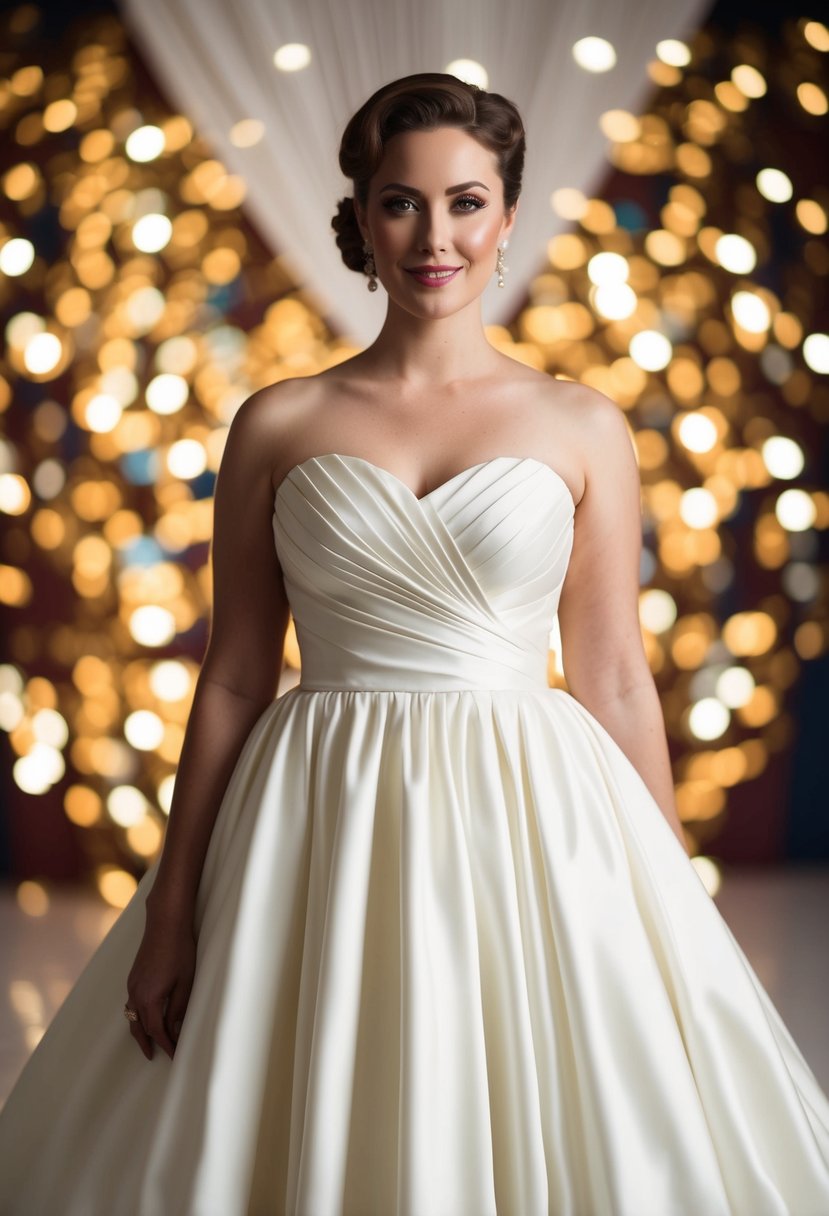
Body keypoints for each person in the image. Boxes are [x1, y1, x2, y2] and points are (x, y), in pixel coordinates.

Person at [0, 70, 828, 1216]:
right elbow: (237, 674)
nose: (433, 235)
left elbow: (613, 676)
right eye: (401, 203)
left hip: (528, 811)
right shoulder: (278, 422)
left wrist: (670, 913)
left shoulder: (580, 425)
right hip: (317, 814)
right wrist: (173, 909)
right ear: (362, 219)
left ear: (503, 216)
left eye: (464, 202)